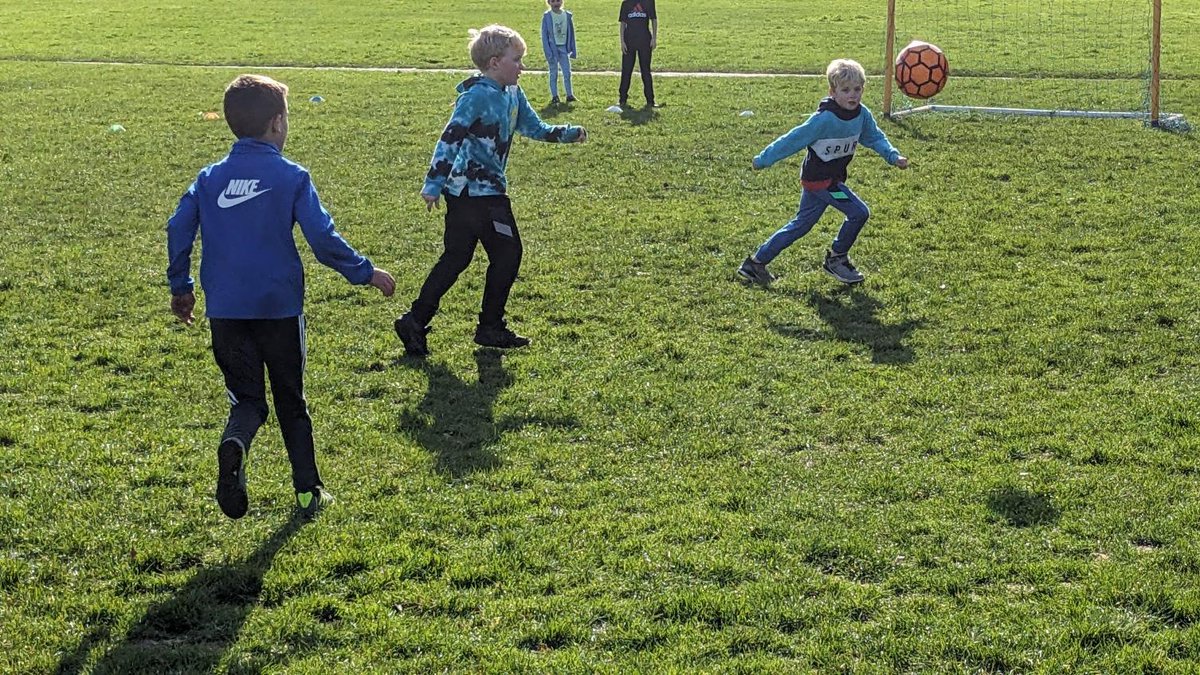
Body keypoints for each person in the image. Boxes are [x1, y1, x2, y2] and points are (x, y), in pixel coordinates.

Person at [166, 74, 396, 520]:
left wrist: (182, 287)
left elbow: (178, 228)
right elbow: (322, 238)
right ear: (276, 123)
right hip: (279, 308)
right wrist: (365, 272)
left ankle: (235, 445)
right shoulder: (291, 176)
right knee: (292, 400)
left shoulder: (210, 178)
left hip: (227, 310)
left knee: (248, 400)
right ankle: (308, 492)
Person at [394, 25, 587, 357]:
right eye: (517, 60)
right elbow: (450, 137)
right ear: (495, 62)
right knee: (508, 253)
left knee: (457, 257)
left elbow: (534, 127)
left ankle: (415, 320)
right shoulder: (476, 95)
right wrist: (433, 183)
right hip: (474, 191)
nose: (522, 67)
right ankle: (489, 327)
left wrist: (567, 133)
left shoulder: (512, 93)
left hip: (482, 191)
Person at [738, 59, 908, 286]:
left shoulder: (862, 115)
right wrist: (764, 159)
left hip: (826, 182)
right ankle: (837, 259)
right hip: (823, 184)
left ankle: (755, 263)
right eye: (845, 90)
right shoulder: (824, 119)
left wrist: (892, 155)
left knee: (801, 225)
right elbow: (793, 140)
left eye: (857, 90)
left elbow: (874, 137)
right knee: (859, 212)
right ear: (833, 92)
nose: (853, 95)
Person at [618, 0, 658, 109]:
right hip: (629, 41)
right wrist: (622, 42)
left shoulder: (649, 2)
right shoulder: (626, 3)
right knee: (626, 71)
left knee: (645, 71)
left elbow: (654, 19)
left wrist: (654, 38)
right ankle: (622, 99)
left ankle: (650, 100)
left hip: (645, 41)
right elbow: (622, 23)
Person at [541, 0, 578, 105]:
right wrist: (548, 51)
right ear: (549, 2)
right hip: (553, 49)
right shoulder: (547, 16)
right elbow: (544, 36)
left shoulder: (567, 16)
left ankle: (569, 95)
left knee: (567, 72)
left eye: (558, 1)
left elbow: (571, 33)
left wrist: (572, 48)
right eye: (553, 1)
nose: (556, 3)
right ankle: (555, 96)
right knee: (553, 73)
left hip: (563, 48)